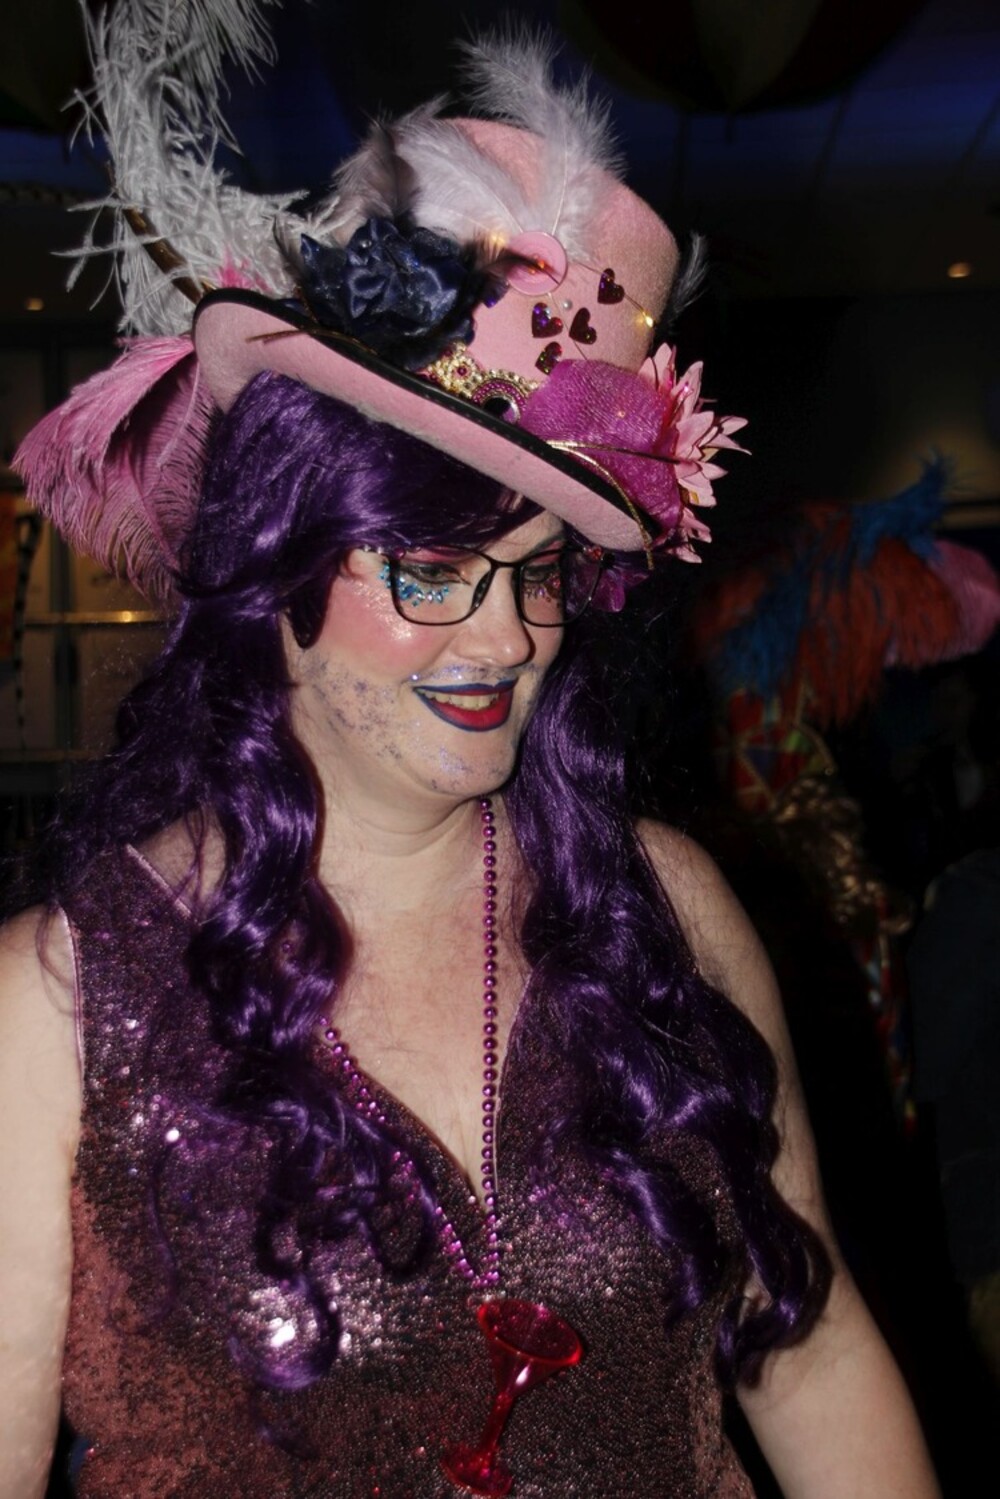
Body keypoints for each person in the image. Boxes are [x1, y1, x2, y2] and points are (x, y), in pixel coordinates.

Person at [0, 4, 940, 1495]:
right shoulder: (62, 998)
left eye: (539, 571)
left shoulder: (661, 911)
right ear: (275, 566)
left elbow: (806, 1351)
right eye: (430, 572)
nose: (506, 641)